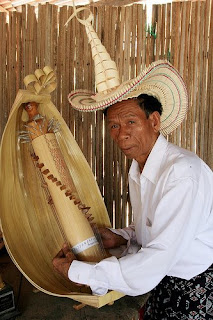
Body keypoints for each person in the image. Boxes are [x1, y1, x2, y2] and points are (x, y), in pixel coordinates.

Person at [53, 93, 213, 319]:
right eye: (114, 126)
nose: (122, 134)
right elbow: (153, 226)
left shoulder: (182, 175)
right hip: (164, 278)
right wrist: (120, 237)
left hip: (195, 283)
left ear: (154, 122)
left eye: (131, 122)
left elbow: (160, 255)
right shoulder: (139, 170)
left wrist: (78, 272)